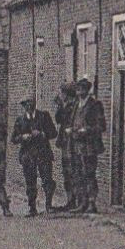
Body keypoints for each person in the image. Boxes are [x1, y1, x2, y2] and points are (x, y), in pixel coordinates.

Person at [10, 97, 58, 217]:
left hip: (43, 153)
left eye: (30, 104)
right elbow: (13, 139)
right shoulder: (20, 120)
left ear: (34, 104)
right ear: (23, 106)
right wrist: (22, 137)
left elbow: (53, 133)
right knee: (30, 181)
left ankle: (48, 205)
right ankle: (32, 208)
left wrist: (42, 134)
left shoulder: (44, 116)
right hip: (28, 155)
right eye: (25, 104)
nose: (28, 106)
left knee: (47, 179)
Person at [71, 78, 107, 214]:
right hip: (77, 144)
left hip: (90, 145)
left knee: (89, 173)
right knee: (79, 173)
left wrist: (87, 130)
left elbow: (101, 126)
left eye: (82, 89)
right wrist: (72, 129)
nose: (79, 91)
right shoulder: (76, 104)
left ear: (87, 90)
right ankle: (83, 202)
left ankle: (92, 202)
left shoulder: (95, 105)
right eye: (78, 89)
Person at [51, 82, 80, 212]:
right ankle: (70, 200)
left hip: (73, 143)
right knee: (67, 172)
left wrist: (60, 107)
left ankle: (75, 201)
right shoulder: (66, 105)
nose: (60, 95)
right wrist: (59, 107)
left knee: (72, 171)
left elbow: (62, 119)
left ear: (66, 94)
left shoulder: (74, 106)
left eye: (62, 93)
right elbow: (58, 119)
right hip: (66, 143)